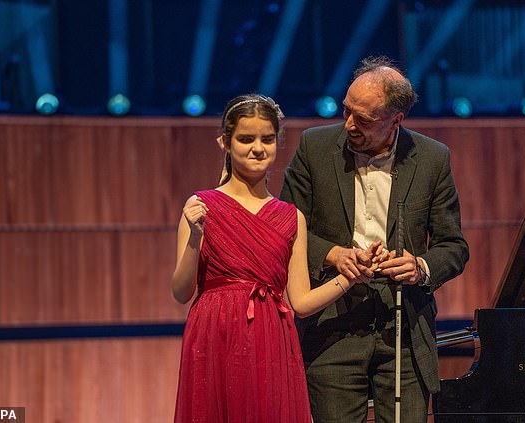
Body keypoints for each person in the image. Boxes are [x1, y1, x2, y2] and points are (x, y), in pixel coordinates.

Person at [171, 94, 386, 423]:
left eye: (267, 139)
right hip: (215, 334)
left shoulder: (291, 217)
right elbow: (181, 292)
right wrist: (195, 236)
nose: (258, 148)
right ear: (225, 142)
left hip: (271, 338)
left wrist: (351, 276)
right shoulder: (202, 206)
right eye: (246, 139)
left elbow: (301, 302)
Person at [279, 56, 470, 422]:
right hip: (331, 325)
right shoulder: (314, 147)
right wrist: (335, 255)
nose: (349, 123)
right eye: (347, 110)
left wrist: (420, 266)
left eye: (363, 119)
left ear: (396, 119)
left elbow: (453, 246)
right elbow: (285, 227)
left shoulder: (432, 158)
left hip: (403, 328)